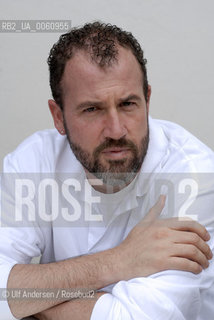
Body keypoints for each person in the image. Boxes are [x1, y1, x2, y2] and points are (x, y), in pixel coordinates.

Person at [0, 21, 214, 320]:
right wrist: (118, 260)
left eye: (128, 104)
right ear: (58, 117)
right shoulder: (34, 163)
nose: (115, 130)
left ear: (148, 101)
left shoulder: (192, 175)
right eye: (92, 109)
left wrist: (33, 303)